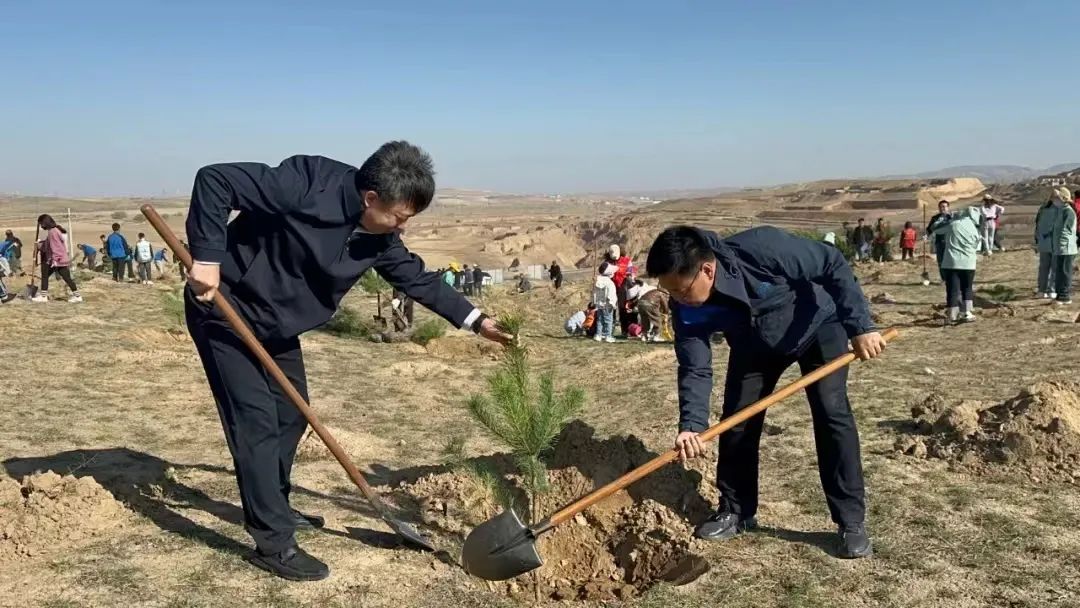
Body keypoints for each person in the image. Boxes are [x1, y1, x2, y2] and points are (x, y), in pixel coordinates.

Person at [181, 142, 512, 581]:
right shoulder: (307, 183)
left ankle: (274, 504)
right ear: (371, 198)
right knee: (255, 422)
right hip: (226, 309)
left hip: (276, 325)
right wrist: (207, 257)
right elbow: (215, 179)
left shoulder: (379, 239)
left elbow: (416, 278)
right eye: (400, 216)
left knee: (291, 413)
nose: (403, 227)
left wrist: (476, 320)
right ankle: (273, 542)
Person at [645, 225, 884, 559]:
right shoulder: (686, 308)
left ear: (707, 270)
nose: (679, 300)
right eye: (670, 291)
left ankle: (851, 522)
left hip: (817, 325)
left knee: (831, 412)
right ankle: (737, 510)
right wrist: (692, 425)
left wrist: (861, 326)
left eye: (682, 291)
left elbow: (831, 262)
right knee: (737, 421)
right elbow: (695, 367)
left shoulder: (761, 248)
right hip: (754, 345)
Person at [931, 206, 982, 324]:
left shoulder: (953, 224)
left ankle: (952, 316)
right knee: (967, 288)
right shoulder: (975, 229)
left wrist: (944, 218)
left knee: (953, 290)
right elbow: (977, 247)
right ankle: (967, 313)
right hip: (969, 263)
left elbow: (936, 229)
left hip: (952, 263)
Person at [32, 214, 82, 303]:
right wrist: (40, 244)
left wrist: (55, 259)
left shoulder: (52, 232)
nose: (41, 226)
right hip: (59, 259)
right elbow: (50, 245)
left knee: (45, 275)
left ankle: (43, 297)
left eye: (41, 224)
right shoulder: (54, 231)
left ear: (45, 223)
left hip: (57, 260)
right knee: (66, 277)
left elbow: (56, 247)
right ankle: (77, 296)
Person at [1049, 186, 1077, 305]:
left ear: (1063, 198)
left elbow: (1066, 230)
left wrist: (1061, 243)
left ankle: (1065, 296)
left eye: (1057, 198)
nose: (1055, 200)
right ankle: (1060, 295)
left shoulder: (1068, 211)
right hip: (1060, 247)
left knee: (1065, 272)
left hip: (1066, 248)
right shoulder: (1061, 211)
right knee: (1059, 271)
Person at [1034, 197, 1058, 300]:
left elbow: (1037, 225)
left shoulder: (1042, 209)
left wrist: (1037, 240)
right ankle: (1051, 290)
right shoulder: (1060, 210)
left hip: (1043, 243)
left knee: (1043, 268)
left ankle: (1041, 290)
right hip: (1055, 243)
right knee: (1054, 268)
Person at [591, 263, 618, 343]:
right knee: (608, 320)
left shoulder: (597, 282)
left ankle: (598, 335)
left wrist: (595, 303)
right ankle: (608, 336)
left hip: (599, 304)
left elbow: (594, 293)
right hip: (607, 304)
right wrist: (612, 304)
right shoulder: (610, 283)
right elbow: (611, 294)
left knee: (600, 320)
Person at [926, 200, 950, 281]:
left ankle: (951, 278)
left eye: (944, 206)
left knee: (950, 261)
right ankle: (944, 279)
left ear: (948, 207)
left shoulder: (951, 217)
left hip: (950, 243)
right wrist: (926, 236)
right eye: (941, 207)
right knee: (941, 262)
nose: (942, 208)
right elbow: (929, 229)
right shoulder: (935, 218)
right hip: (939, 242)